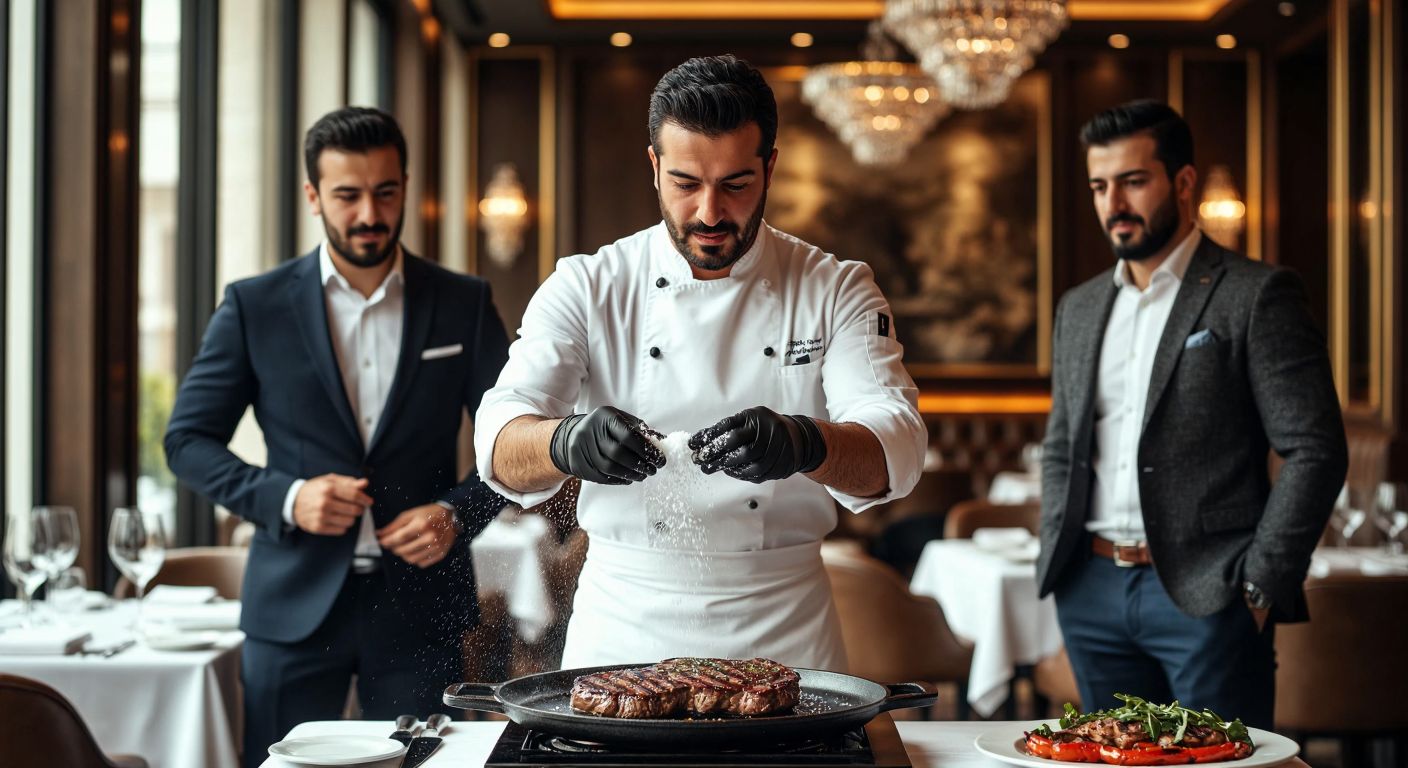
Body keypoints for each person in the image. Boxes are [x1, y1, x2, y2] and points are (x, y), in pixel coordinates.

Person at [473, 55, 927, 672]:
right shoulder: (587, 285)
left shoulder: (834, 288)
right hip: (624, 630)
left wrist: (805, 443)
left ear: (769, 168)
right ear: (655, 165)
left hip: (784, 633)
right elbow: (498, 437)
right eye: (686, 183)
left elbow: (896, 448)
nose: (710, 213)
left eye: (736, 184)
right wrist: (566, 442)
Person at [164, 107, 510, 765]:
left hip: (420, 607)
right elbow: (187, 440)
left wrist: (456, 515)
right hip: (290, 610)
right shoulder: (254, 305)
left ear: (406, 187)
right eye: (348, 196)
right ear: (314, 196)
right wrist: (288, 497)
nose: (369, 215)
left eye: (385, 193)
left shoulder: (462, 302)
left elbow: (514, 445)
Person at [1037, 99, 1347, 728]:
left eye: (1132, 181)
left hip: (1211, 595)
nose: (1113, 204)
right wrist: (1060, 561)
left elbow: (1315, 448)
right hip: (1090, 589)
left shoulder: (1256, 294)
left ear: (1182, 183)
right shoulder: (1079, 306)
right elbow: (1061, 444)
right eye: (1100, 186)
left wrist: (1259, 588)